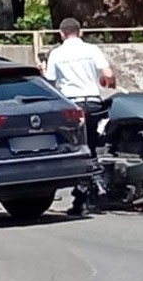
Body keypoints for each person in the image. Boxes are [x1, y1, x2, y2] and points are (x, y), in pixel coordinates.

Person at [43, 18, 115, 216]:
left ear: (61, 33)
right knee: (91, 146)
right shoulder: (92, 49)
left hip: (71, 106)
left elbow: (49, 81)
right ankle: (94, 188)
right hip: (92, 103)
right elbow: (107, 75)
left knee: (76, 150)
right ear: (80, 32)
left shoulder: (56, 54)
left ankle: (85, 194)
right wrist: (106, 81)